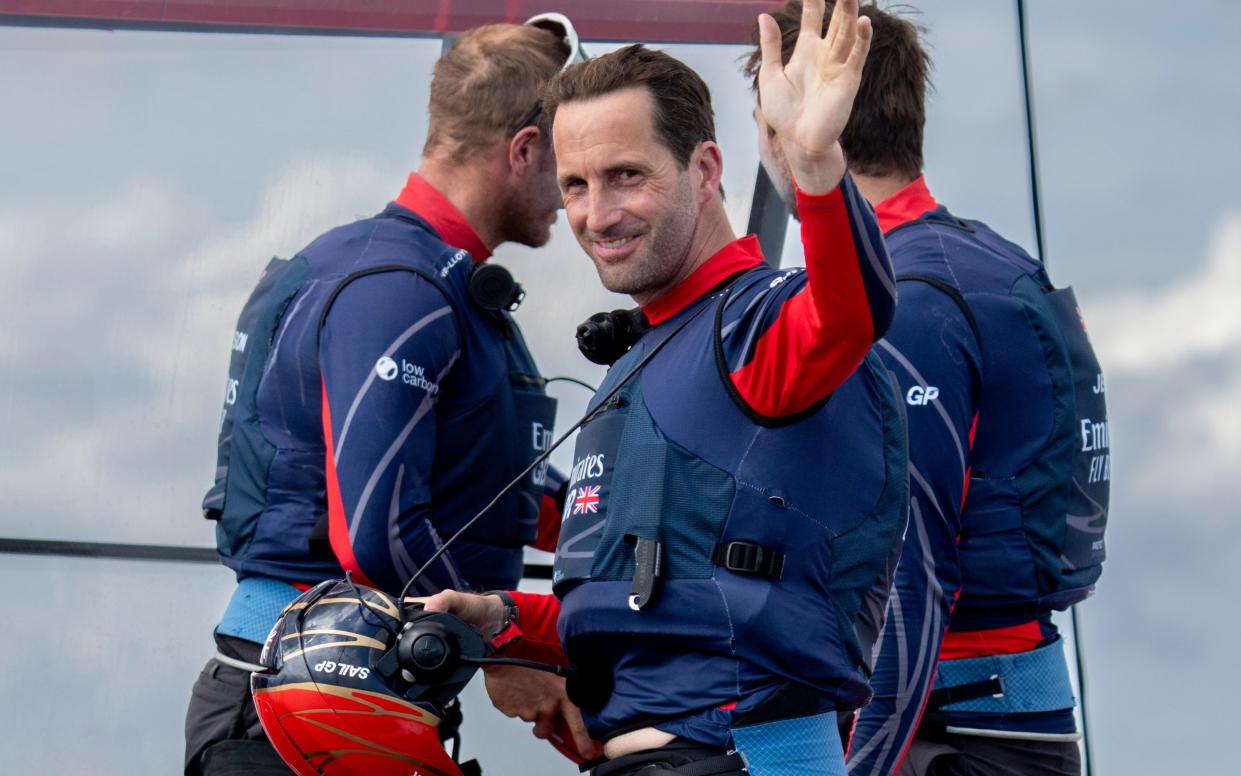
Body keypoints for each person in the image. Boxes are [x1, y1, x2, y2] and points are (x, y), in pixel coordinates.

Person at [421, 2, 909, 773]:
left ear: (705, 171)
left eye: (625, 177)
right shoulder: (646, 354)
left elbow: (848, 315)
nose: (595, 214)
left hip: (738, 756)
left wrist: (815, 168)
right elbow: (651, 608)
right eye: (575, 184)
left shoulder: (756, 327)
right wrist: (503, 617)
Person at [184, 18, 591, 774]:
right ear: (524, 149)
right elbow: (374, 536)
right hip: (292, 711)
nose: (575, 198)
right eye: (571, 168)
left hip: (342, 702)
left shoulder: (409, 278)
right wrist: (502, 645)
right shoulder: (399, 292)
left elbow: (506, 497)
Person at [745, 4, 1110, 775]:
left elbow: (910, 574)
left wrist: (864, 765)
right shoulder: (987, 263)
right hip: (1003, 716)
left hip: (945, 732)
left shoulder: (898, 303)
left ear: (800, 122)